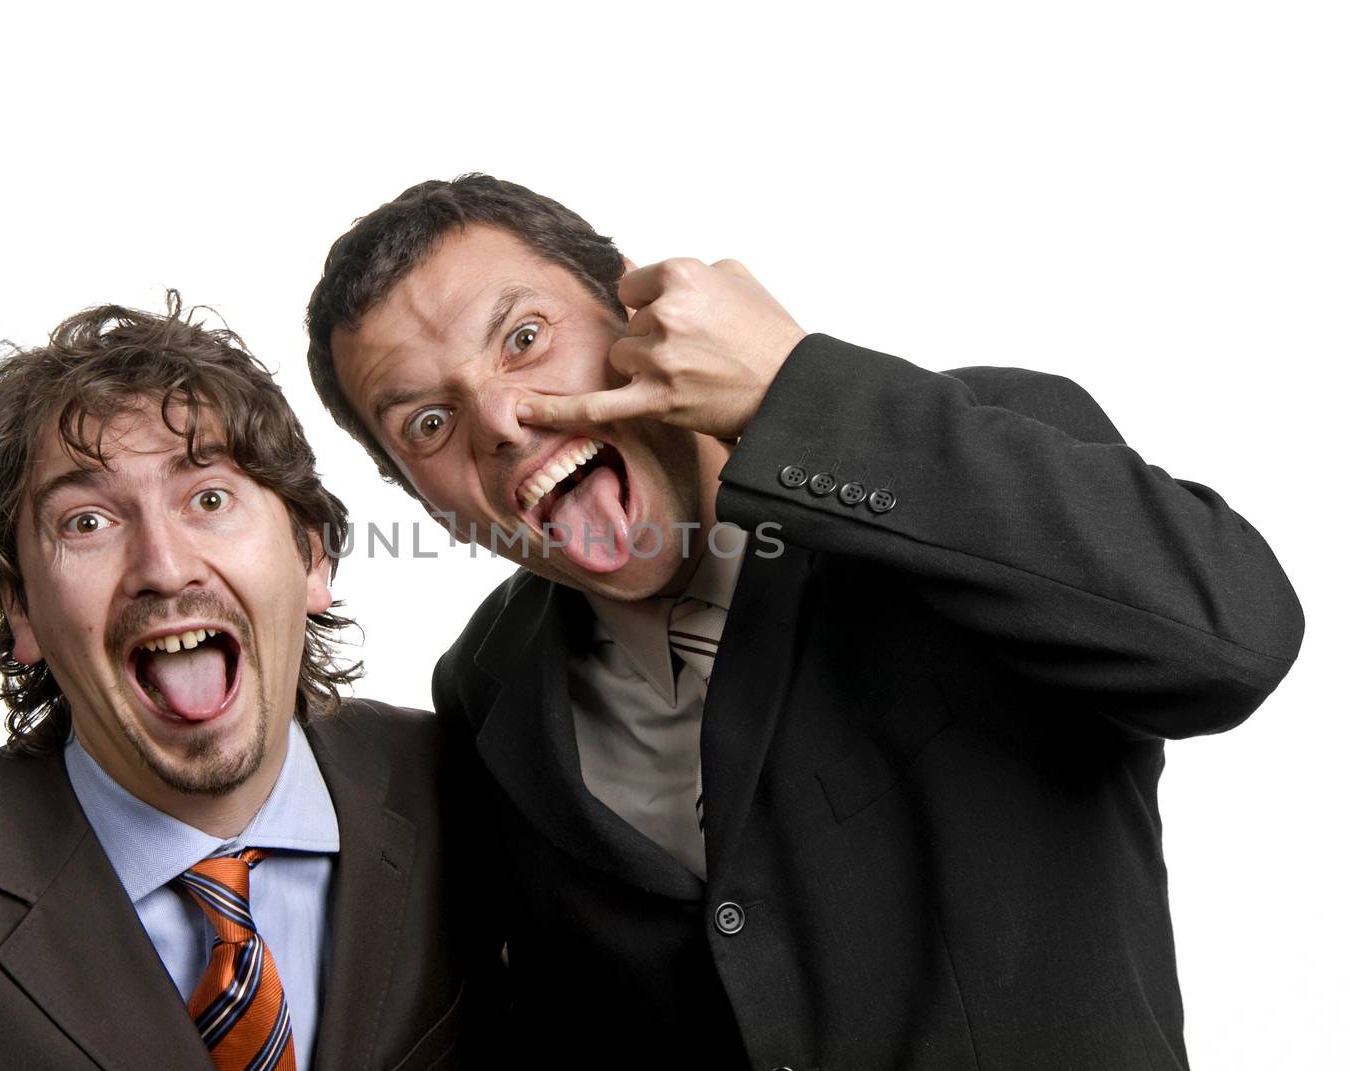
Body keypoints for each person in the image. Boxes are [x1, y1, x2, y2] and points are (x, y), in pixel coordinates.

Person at [306, 175, 1305, 1070]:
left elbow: (1231, 641)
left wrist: (794, 384)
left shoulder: (950, 462)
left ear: (639, 308)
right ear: (416, 491)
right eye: (428, 424)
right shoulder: (487, 687)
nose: (500, 417)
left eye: (523, 337)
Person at [0, 295, 472, 1071]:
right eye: (87, 522)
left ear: (313, 557)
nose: (163, 565)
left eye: (210, 498)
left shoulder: (475, 787)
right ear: (19, 608)